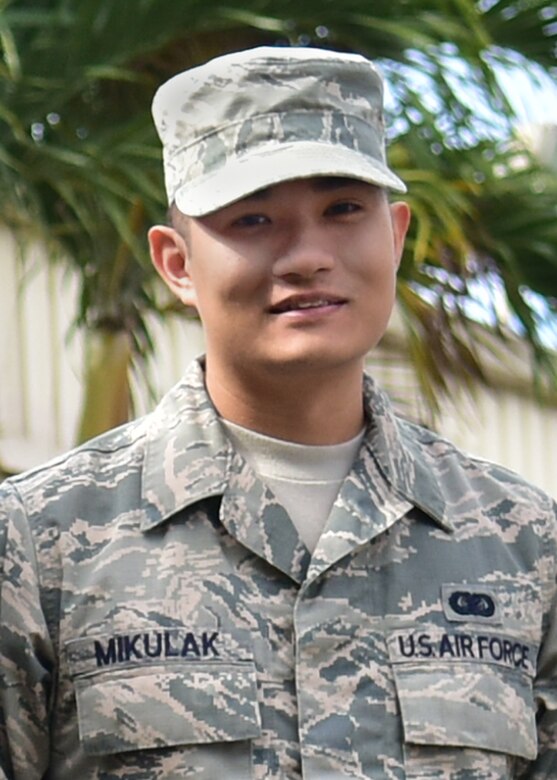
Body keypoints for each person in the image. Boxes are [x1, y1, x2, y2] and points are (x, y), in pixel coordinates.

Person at [0, 45, 555, 780]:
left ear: (393, 237)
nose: (306, 255)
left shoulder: (521, 545)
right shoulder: (39, 542)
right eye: (254, 218)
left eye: (343, 209)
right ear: (176, 263)